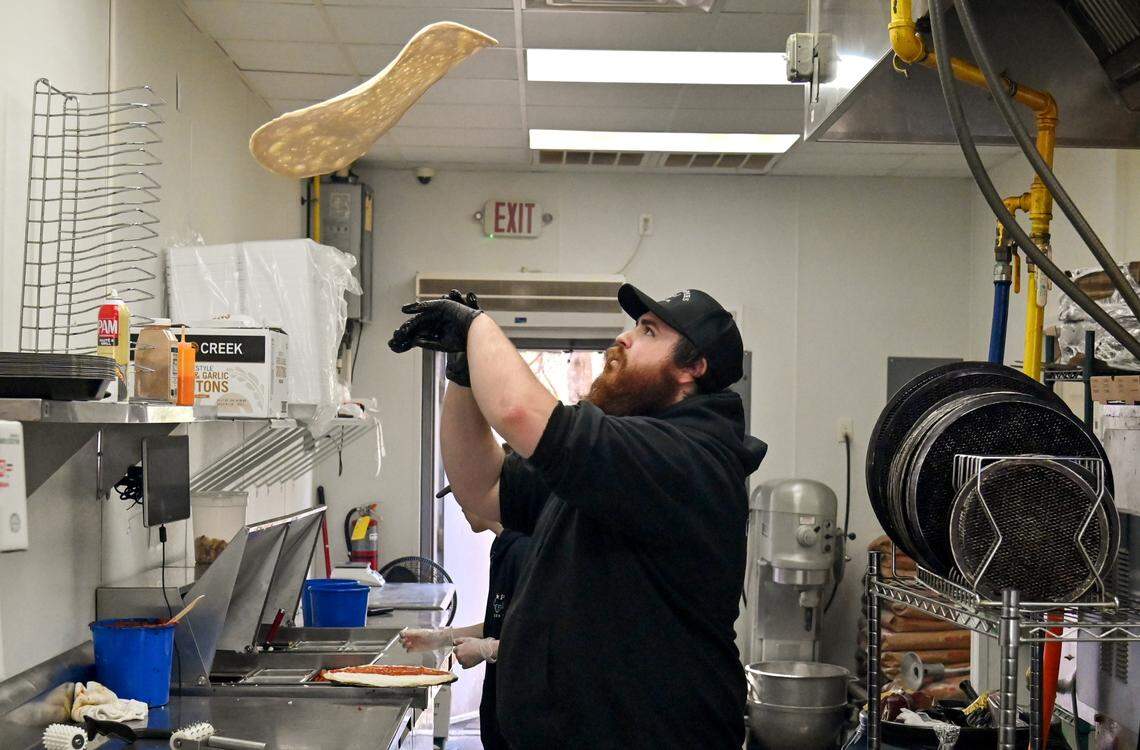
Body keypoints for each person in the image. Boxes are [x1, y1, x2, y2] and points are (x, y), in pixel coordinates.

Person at [389, 285, 766, 749]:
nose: (624, 339)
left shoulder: (687, 457)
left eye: (648, 331)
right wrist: (464, 375)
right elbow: (481, 488)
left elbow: (518, 412)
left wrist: (477, 327)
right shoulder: (622, 458)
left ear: (692, 368)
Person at [399, 505, 531, 750]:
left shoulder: (525, 551)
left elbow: (544, 642)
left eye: (463, 498)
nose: (462, 507)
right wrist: (439, 638)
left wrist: (488, 649)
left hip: (524, 714)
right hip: (499, 713)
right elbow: (501, 621)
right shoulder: (503, 546)